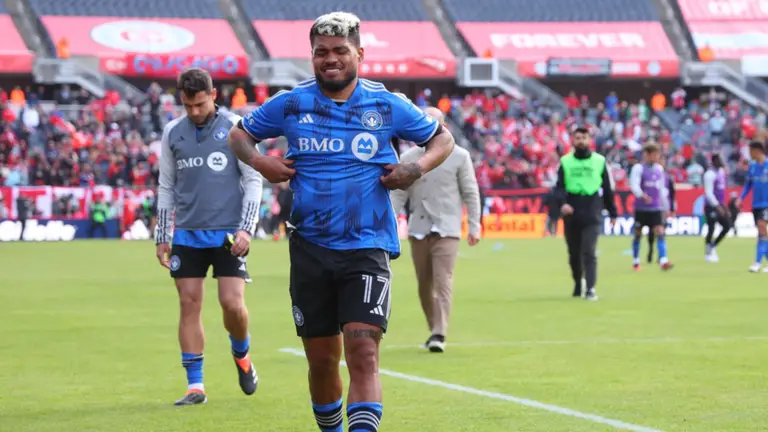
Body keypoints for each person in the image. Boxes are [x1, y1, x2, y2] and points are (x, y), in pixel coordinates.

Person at [227, 11, 454, 431]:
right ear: (312, 56)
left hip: (367, 246)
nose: (330, 59)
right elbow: (239, 134)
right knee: (322, 361)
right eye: (321, 52)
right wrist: (260, 162)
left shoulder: (385, 104)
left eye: (339, 50)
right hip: (310, 249)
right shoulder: (291, 103)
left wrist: (415, 168)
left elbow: (443, 139)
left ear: (359, 54)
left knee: (363, 352)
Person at [155, 68, 262, 406]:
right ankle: (195, 386)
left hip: (229, 234)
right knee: (188, 304)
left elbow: (254, 180)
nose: (194, 111)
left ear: (213, 95)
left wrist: (246, 228)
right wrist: (162, 234)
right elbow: (166, 186)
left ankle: (241, 354)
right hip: (187, 233)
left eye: (199, 104)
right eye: (187, 105)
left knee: (232, 304)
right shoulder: (172, 132)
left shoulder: (236, 128)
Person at [390, 106, 481, 353]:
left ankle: (439, 333)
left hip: (447, 228)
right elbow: (398, 194)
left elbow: (470, 192)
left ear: (444, 127)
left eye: (433, 123)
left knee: (443, 281)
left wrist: (474, 225)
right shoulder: (408, 157)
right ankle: (434, 329)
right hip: (418, 227)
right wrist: (389, 220)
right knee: (423, 285)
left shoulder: (460, 156)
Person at [554, 127, 617, 301]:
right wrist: (562, 204)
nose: (581, 141)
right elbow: (558, 187)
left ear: (589, 140)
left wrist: (613, 212)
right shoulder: (565, 161)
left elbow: (607, 188)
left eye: (584, 138)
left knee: (589, 250)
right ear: (573, 141)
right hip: (572, 209)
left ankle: (590, 288)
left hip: (592, 208)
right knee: (574, 253)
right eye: (578, 138)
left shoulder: (599, 161)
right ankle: (578, 282)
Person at [629, 143, 674, 271]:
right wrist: (641, 195)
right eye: (654, 154)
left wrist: (666, 207)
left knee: (660, 231)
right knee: (638, 233)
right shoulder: (638, 168)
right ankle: (636, 261)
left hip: (656, 207)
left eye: (657, 154)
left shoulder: (659, 169)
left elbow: (662, 190)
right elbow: (634, 185)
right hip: (641, 208)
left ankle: (663, 260)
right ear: (647, 154)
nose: (656, 157)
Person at [735, 141, 768, 272]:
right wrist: (740, 198)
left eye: (750, 151)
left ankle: (757, 262)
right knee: (762, 233)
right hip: (756, 204)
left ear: (757, 151)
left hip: (767, 204)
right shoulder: (752, 166)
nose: (749, 154)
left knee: (762, 228)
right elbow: (748, 185)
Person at [646, 157, 676, 264]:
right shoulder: (650, 176)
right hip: (653, 206)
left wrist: (671, 209)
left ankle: (661, 256)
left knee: (661, 231)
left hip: (663, 208)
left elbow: (672, 195)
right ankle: (651, 249)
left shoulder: (668, 178)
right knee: (651, 230)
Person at [702, 153, 732, 262]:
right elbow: (709, 193)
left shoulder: (721, 172)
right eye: (719, 159)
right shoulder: (709, 174)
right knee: (711, 228)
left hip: (720, 204)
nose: (722, 162)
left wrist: (724, 206)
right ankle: (708, 252)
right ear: (714, 161)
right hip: (711, 206)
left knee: (727, 226)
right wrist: (717, 206)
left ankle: (713, 245)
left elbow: (721, 192)